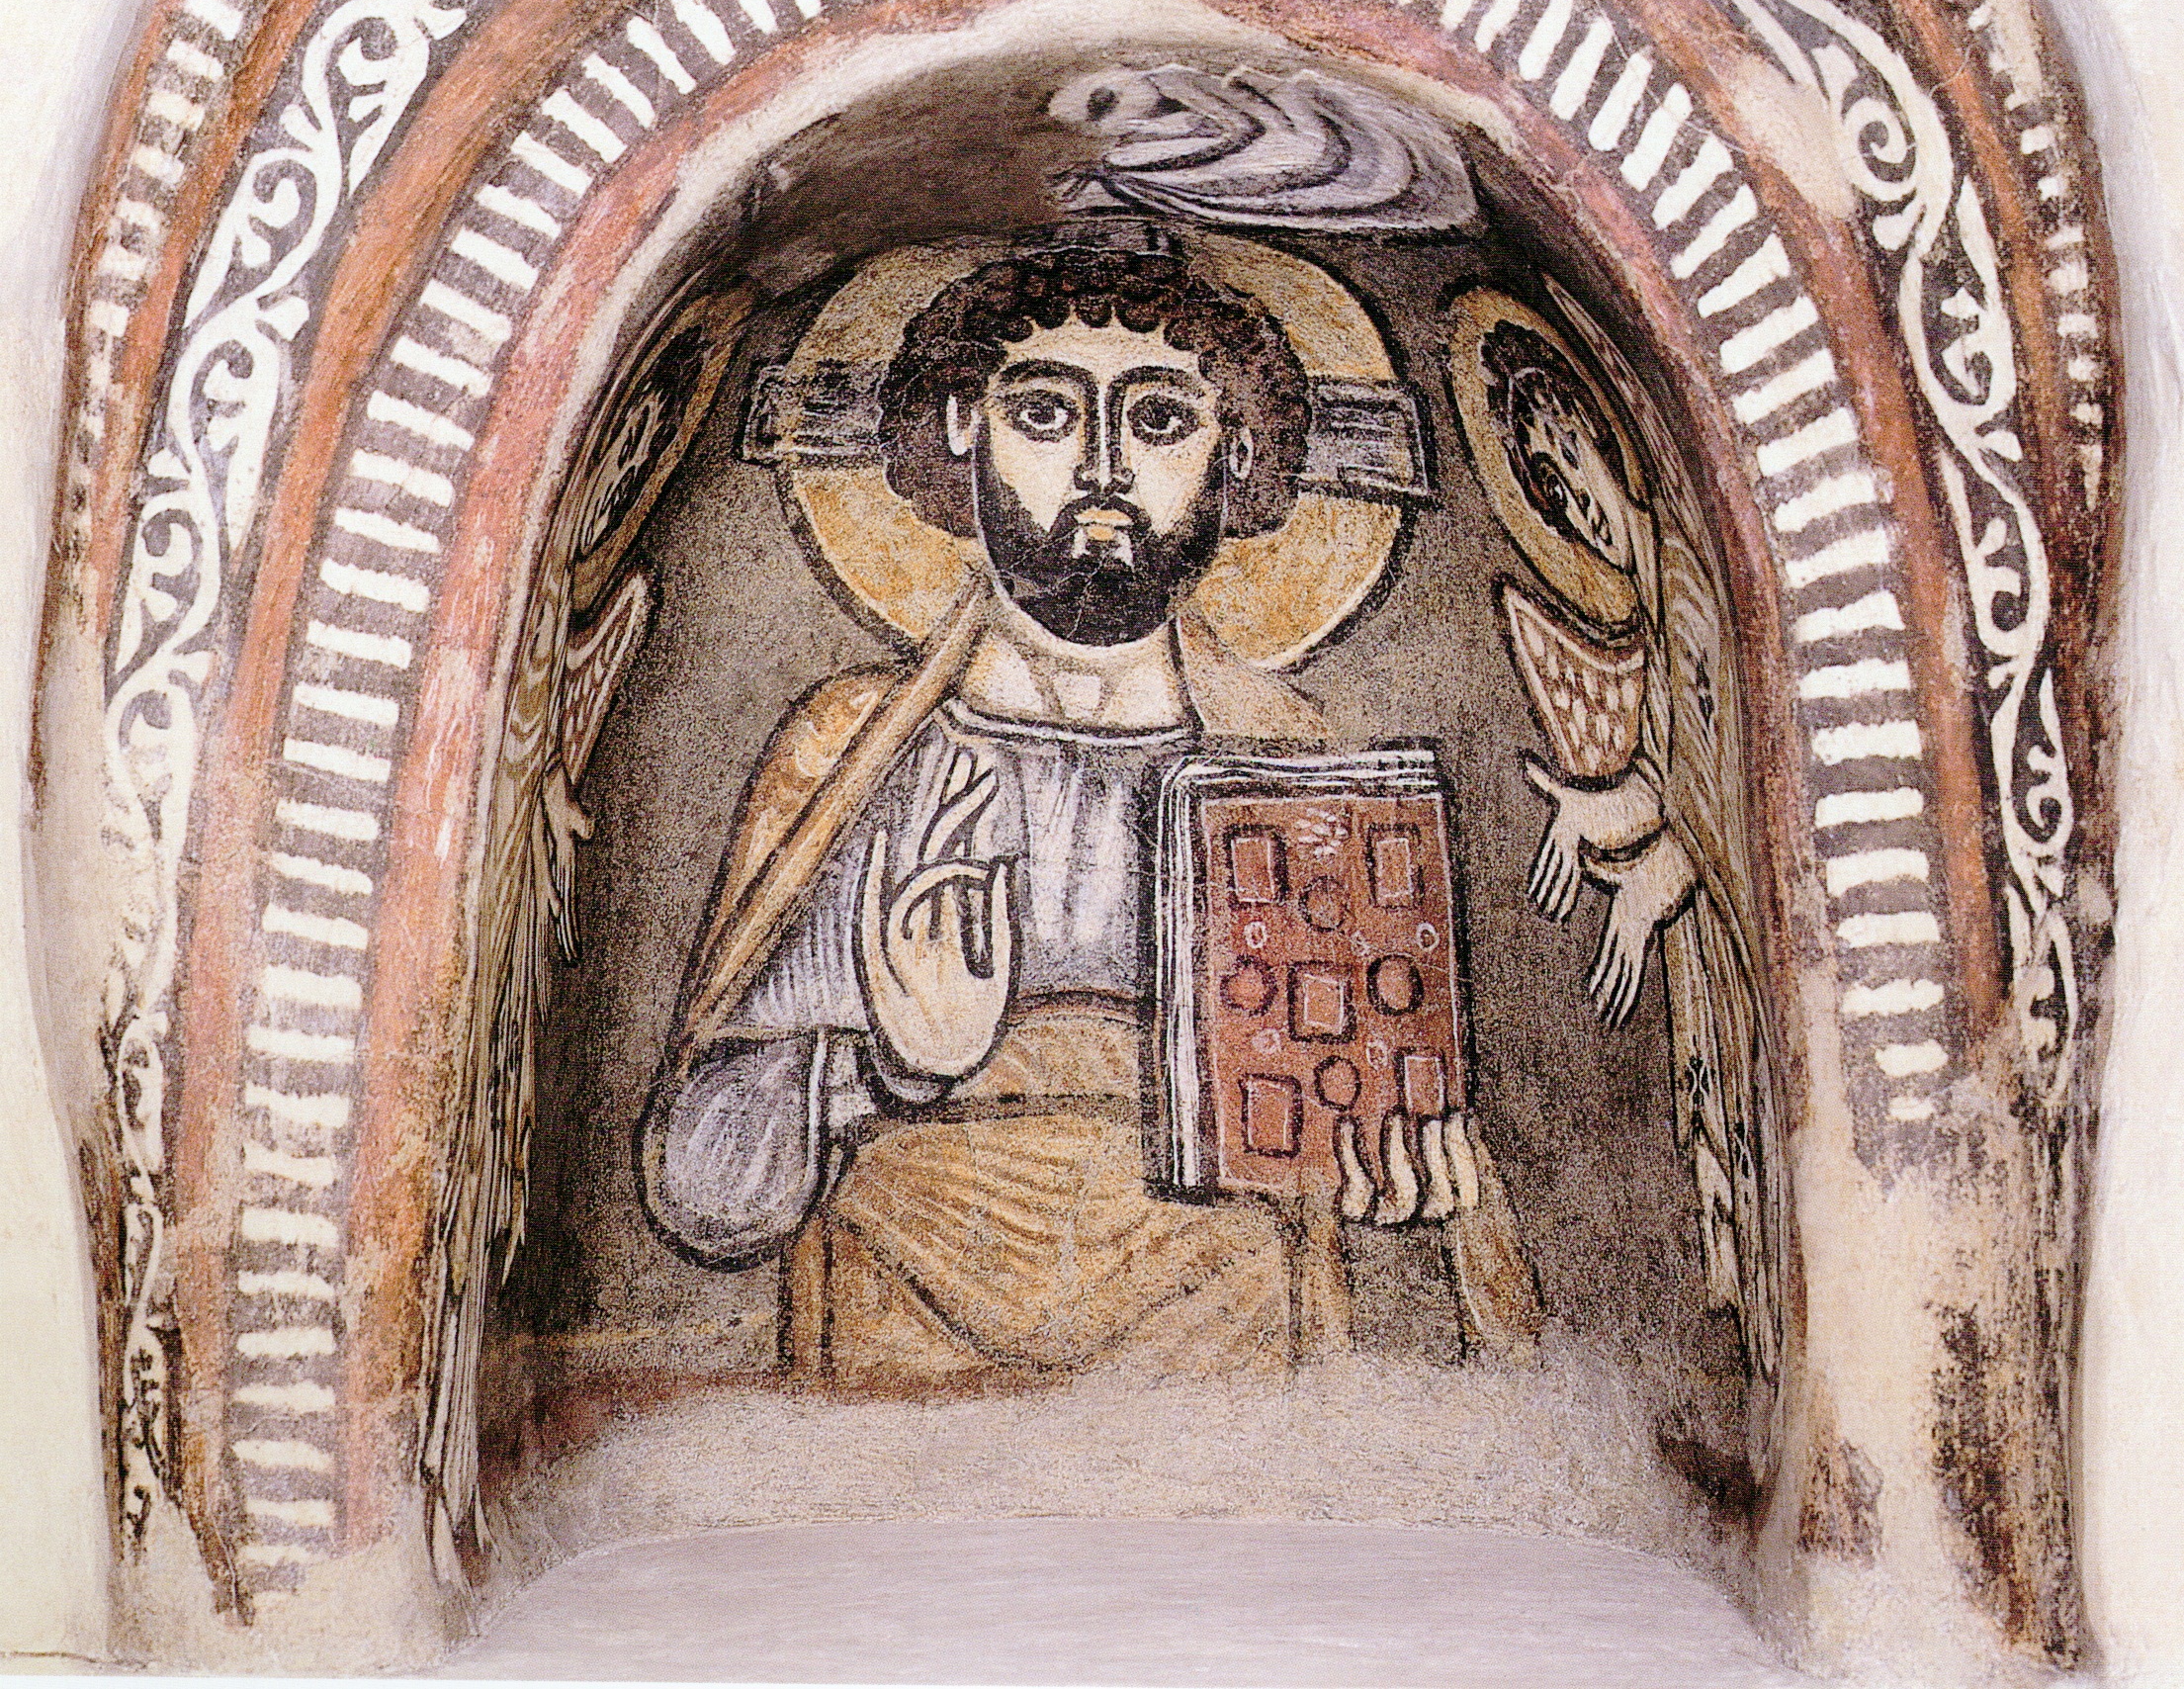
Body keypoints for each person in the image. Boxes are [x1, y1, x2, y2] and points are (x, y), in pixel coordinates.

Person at [639, 229, 1381, 1386]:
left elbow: (1357, 1133)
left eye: (1159, 419)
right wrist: (891, 1068)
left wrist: (1397, 1164)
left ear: (1233, 453)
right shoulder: (861, 755)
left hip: (1222, 1377)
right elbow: (703, 1185)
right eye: (1044, 413)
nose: (1102, 467)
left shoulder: (1288, 768)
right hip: (906, 1381)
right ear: (958, 427)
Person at [1478, 312, 1783, 1383]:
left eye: (1575, 458)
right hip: (1698, 956)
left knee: (1754, 1137)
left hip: (1731, 953)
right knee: (1717, 1141)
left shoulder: (1694, 588)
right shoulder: (1658, 606)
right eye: (1553, 489)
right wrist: (1588, 810)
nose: (1577, 499)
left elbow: (1733, 784)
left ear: (1614, 446)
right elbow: (1668, 775)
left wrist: (1662, 877)